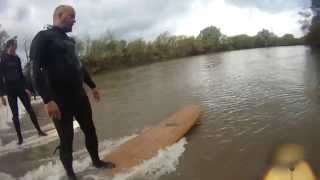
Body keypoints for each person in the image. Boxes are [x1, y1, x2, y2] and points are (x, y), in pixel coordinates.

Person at [29, 5, 115, 180]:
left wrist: (92, 86)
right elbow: (34, 70)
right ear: (59, 16)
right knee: (66, 139)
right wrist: (47, 100)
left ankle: (96, 162)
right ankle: (71, 175)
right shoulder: (42, 37)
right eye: (71, 16)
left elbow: (79, 66)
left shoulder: (70, 41)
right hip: (59, 100)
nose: (74, 20)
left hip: (79, 96)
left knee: (90, 130)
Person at [0, 38, 47, 145]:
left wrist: (27, 89)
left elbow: (21, 76)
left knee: (30, 110)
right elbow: (0, 77)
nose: (15, 49)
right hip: (10, 90)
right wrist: (1, 95)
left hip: (20, 88)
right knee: (15, 115)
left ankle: (39, 131)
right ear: (9, 46)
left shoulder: (17, 59)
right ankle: (20, 138)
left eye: (16, 47)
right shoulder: (3, 59)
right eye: (14, 47)